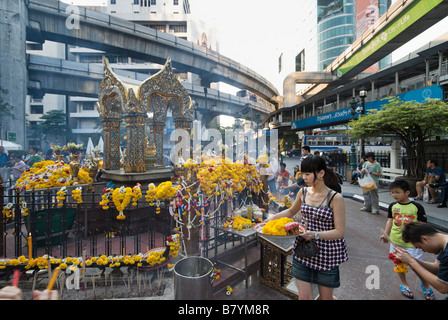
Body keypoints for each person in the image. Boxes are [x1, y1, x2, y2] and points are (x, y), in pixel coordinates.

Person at [267, 156, 347, 300]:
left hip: (326, 254)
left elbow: (339, 232)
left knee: (325, 298)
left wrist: (315, 234)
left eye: (308, 174)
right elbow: (291, 211)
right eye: (303, 173)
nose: (304, 177)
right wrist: (273, 217)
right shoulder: (303, 192)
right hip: (303, 250)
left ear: (321, 173)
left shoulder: (335, 198)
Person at [379, 180, 434, 299]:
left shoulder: (417, 207)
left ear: (407, 192)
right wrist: (386, 234)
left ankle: (425, 285)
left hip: (413, 243)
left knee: (418, 266)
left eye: (397, 192)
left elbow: (422, 224)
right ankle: (404, 284)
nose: (394, 195)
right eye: (392, 192)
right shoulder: (393, 206)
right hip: (396, 242)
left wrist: (422, 240)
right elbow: (390, 220)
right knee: (399, 264)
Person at [395, 222, 448, 298]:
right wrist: (411, 259)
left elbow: (443, 287)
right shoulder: (444, 244)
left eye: (419, 247)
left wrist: (412, 262)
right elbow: (436, 268)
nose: (422, 250)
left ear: (425, 239)